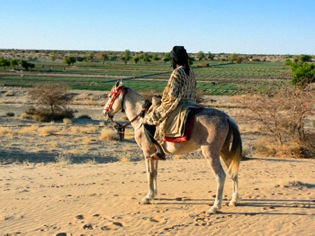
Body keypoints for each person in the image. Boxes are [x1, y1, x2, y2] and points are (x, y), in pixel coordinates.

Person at [142, 46, 197, 160]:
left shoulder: (177, 72)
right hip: (192, 102)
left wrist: (162, 99)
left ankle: (159, 150)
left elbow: (172, 94)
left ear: (174, 59)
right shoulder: (191, 71)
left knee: (147, 122)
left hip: (178, 103)